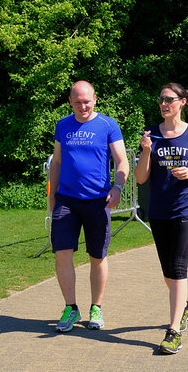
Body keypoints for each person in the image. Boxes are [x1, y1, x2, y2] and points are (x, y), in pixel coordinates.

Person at [135, 83, 188, 354]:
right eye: (161, 99)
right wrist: (145, 150)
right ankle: (185, 307)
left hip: (187, 209)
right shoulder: (152, 135)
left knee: (178, 268)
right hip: (159, 210)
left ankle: (174, 331)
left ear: (182, 102)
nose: (164, 103)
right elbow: (141, 178)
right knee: (168, 271)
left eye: (169, 99)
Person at [50, 80, 129, 333]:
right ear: (70, 102)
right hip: (66, 201)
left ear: (95, 99)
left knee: (97, 256)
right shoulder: (63, 125)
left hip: (97, 201)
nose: (83, 106)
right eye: (78, 102)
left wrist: (117, 187)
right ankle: (71, 307)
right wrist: (51, 198)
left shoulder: (107, 124)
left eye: (87, 101)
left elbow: (121, 161)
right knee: (62, 253)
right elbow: (57, 163)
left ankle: (96, 307)